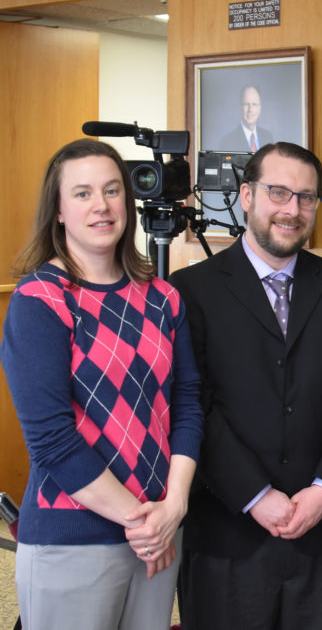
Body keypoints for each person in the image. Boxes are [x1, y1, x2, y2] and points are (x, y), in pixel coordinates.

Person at [170, 142, 322, 629]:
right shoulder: (191, 290)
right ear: (246, 195)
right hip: (227, 532)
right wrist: (254, 494)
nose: (292, 209)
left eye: (307, 197)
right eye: (279, 192)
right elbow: (191, 405)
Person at [0, 138, 203, 629]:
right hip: (74, 535)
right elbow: (52, 439)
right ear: (59, 213)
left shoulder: (162, 298)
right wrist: (142, 522)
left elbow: (188, 404)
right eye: (83, 193)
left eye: (112, 191)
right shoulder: (41, 299)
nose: (101, 205)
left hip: (157, 534)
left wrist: (173, 508)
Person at [220, 84, 274, 152]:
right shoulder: (227, 141)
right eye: (246, 104)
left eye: (254, 104)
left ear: (259, 108)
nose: (250, 109)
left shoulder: (268, 137)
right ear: (240, 107)